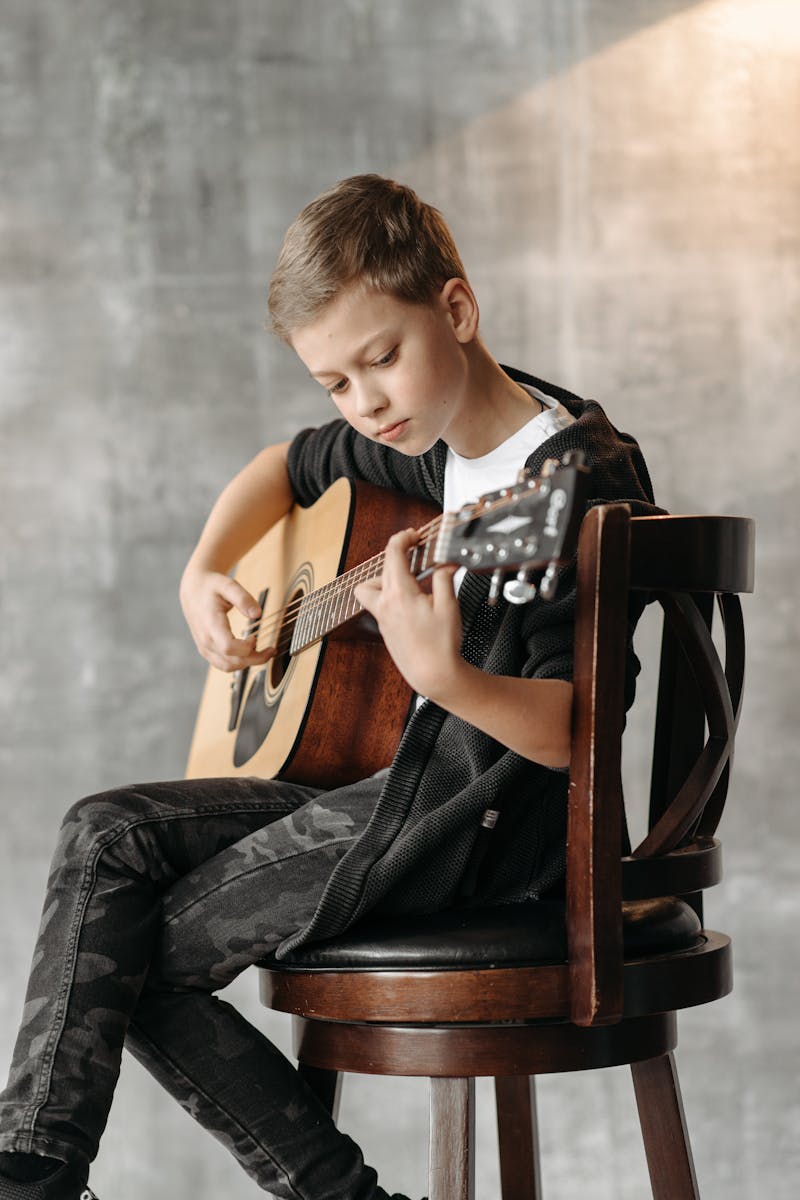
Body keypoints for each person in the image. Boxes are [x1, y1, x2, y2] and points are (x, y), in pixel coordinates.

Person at [0, 175, 657, 1200]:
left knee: (126, 955)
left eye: (380, 360)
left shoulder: (572, 483)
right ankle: (29, 1169)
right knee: (102, 831)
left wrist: (444, 674)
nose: (364, 405)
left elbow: (579, 733)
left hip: (483, 831)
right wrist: (200, 572)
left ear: (454, 309)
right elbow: (281, 468)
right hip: (393, 793)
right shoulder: (436, 449)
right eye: (334, 384)